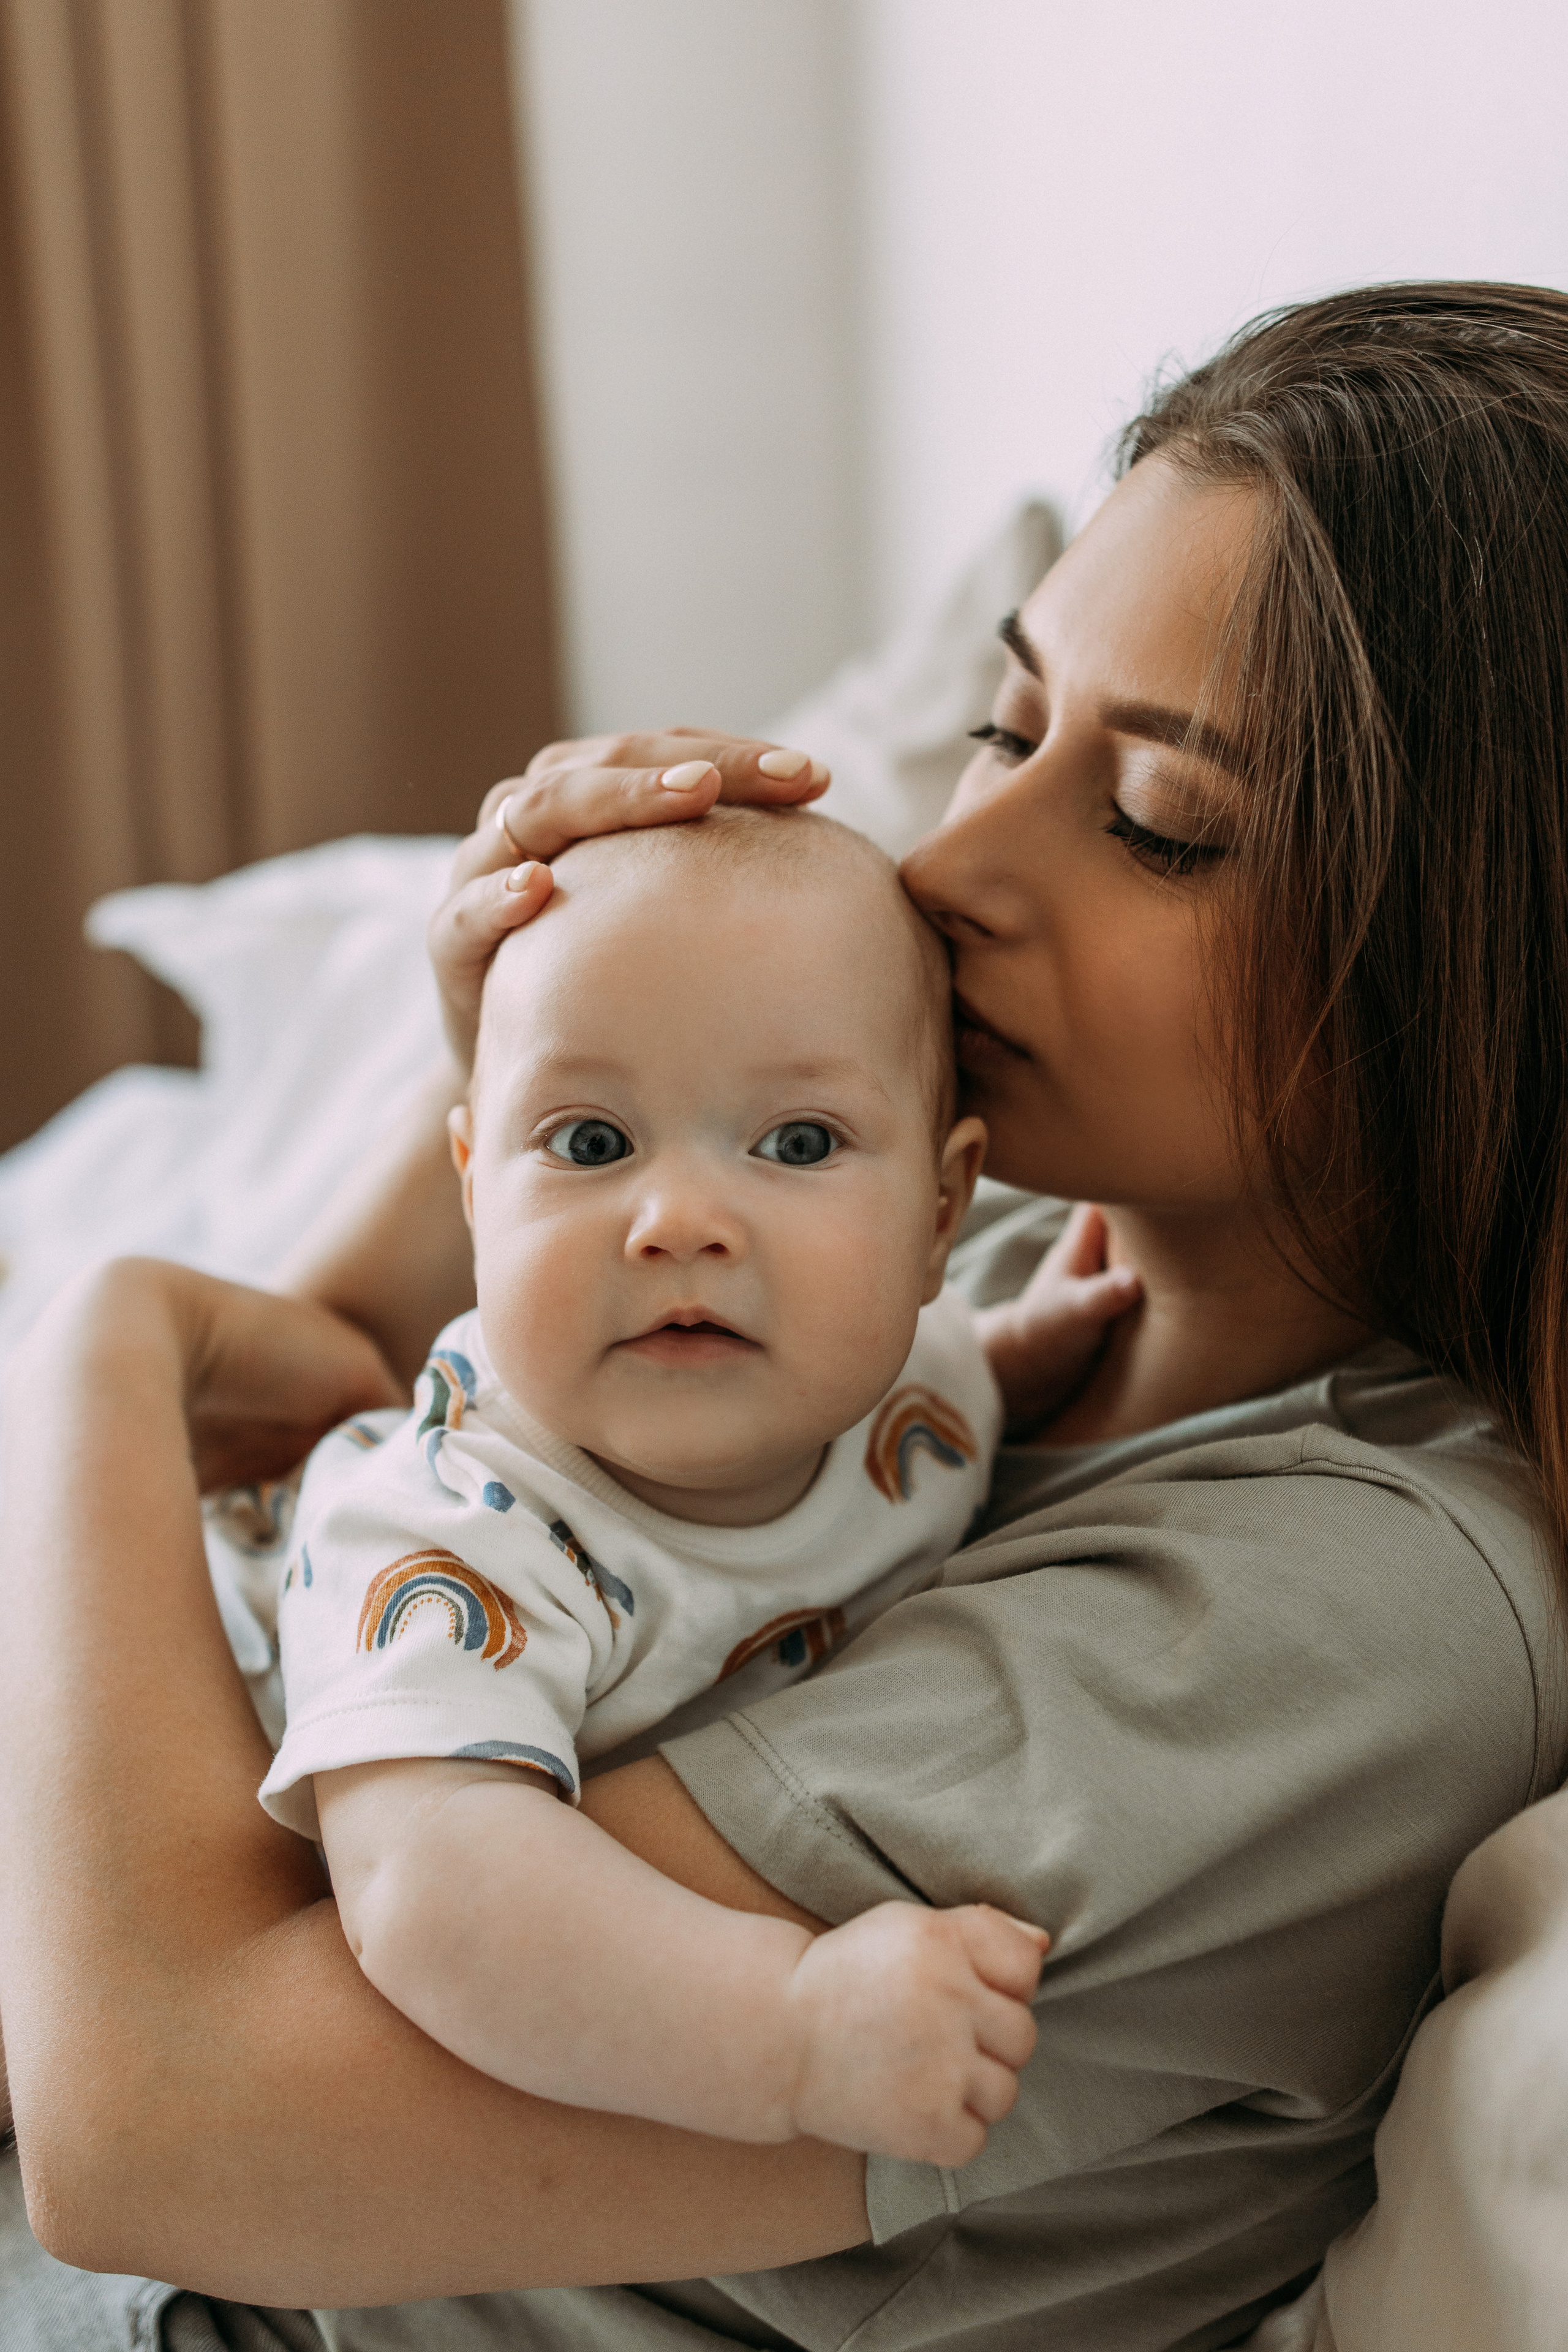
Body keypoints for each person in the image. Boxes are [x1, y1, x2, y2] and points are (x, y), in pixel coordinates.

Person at [4, 280, 1568, 2352]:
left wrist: (89, 1364)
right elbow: (356, 1441)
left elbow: (158, 2130)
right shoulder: (998, 1230)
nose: (957, 861)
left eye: (1159, 824)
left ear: (1476, 962)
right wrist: (525, 1060)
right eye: (1006, 729)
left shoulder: (1332, 1630)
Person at [237, 808, 1129, 2164]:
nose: (680, 1223)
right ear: (475, 1190)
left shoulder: (918, 1378)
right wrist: (786, 2029)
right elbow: (428, 1887)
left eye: (799, 1143)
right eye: (593, 1144)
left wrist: (1025, 1359)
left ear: (940, 1214)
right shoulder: (452, 1534)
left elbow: (941, 1382)